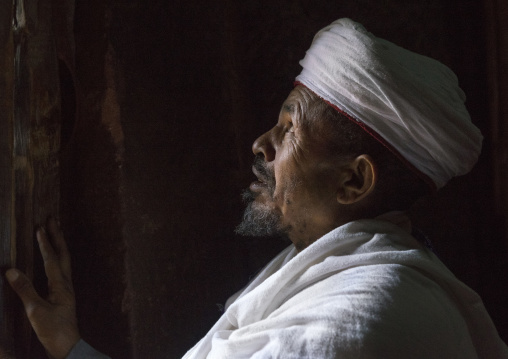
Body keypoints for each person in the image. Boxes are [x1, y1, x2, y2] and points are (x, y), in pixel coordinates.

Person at [4, 18, 508, 358]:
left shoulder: (371, 316)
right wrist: (73, 348)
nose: (261, 144)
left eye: (290, 130)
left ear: (353, 181)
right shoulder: (329, 272)